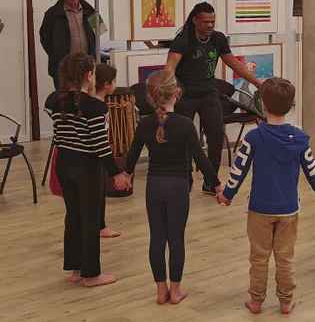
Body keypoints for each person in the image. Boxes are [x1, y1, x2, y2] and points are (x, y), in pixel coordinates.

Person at [217, 77, 315, 315]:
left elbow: (239, 169)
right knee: (285, 258)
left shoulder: (253, 137)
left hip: (259, 209)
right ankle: (286, 301)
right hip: (289, 210)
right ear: (290, 106)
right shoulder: (300, 139)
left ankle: (256, 301)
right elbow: (311, 169)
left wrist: (227, 194)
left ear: (263, 107)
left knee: (259, 257)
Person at [124, 70, 222, 305]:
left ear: (149, 96)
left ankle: (161, 291)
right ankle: (176, 291)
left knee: (157, 238)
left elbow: (133, 155)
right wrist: (217, 186)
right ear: (177, 94)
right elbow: (201, 159)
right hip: (177, 187)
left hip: (154, 186)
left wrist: (125, 175)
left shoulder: (145, 124)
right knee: (176, 238)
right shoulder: (186, 125)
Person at [165, 2, 263, 193]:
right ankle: (185, 179)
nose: (209, 25)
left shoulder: (217, 39)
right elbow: (170, 65)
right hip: (185, 95)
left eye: (212, 21)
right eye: (205, 22)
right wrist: (170, 88)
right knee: (184, 137)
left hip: (209, 94)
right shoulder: (183, 39)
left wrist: (258, 83)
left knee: (216, 137)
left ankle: (211, 182)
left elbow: (234, 63)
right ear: (194, 21)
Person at [52, 53, 130, 288]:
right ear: (89, 76)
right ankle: (92, 274)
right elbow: (100, 145)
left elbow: (58, 138)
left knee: (73, 216)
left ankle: (76, 269)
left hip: (64, 164)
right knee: (90, 219)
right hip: (87, 167)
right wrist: (117, 173)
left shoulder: (57, 102)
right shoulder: (95, 106)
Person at [40, 0, 96, 89]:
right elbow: (45, 39)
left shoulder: (91, 11)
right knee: (65, 101)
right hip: (64, 68)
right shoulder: (52, 14)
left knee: (86, 100)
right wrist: (57, 58)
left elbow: (100, 32)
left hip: (86, 66)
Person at [94, 63, 121, 239]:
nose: (115, 85)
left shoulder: (100, 103)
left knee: (101, 191)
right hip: (97, 156)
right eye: (114, 81)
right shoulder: (97, 106)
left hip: (99, 155)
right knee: (98, 192)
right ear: (106, 84)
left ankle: (100, 225)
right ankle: (99, 226)